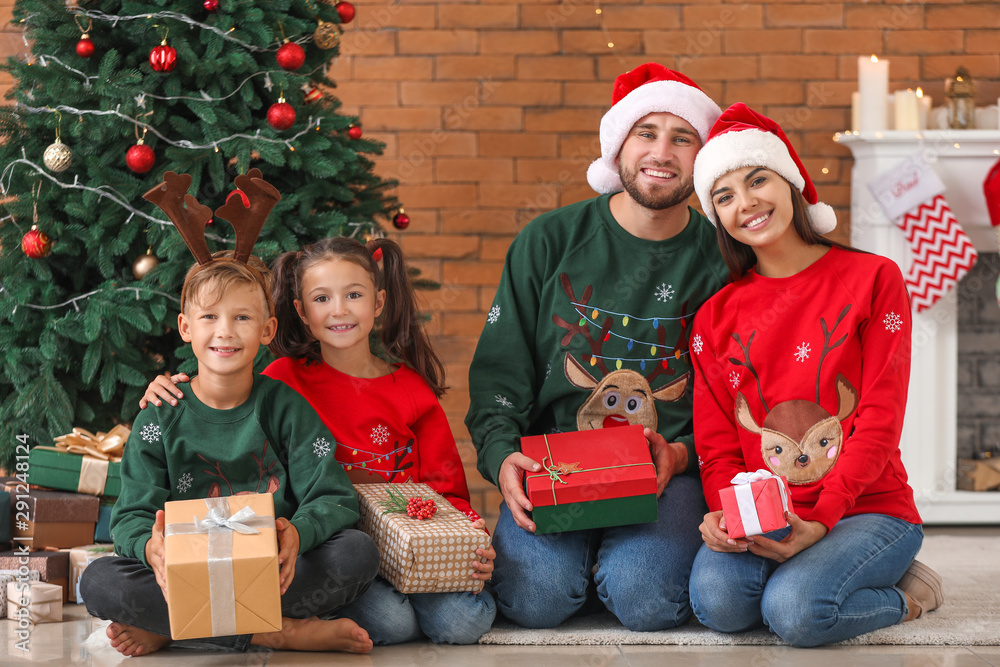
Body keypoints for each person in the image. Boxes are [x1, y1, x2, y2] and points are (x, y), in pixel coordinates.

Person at [464, 63, 728, 631]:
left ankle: (616, 572)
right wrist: (502, 455)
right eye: (646, 132)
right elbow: (500, 370)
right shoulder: (548, 241)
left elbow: (735, 392)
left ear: (702, 156)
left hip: (672, 472)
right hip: (555, 464)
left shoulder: (724, 260)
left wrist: (681, 454)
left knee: (647, 601)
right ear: (619, 146)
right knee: (532, 602)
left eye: (683, 137)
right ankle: (582, 571)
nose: (662, 151)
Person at [141, 236, 497, 645]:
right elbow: (224, 385)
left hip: (415, 547)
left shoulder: (411, 390)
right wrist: (168, 385)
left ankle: (202, 628)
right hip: (331, 546)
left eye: (354, 295)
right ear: (302, 312)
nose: (339, 310)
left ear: (378, 303)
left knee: (463, 623)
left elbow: (448, 487)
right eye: (322, 298)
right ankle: (249, 626)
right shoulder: (281, 380)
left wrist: (470, 538)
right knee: (393, 623)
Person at [687, 103, 944, 647]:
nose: (747, 203)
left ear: (791, 183)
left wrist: (822, 520)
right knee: (718, 605)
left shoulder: (874, 279)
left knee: (797, 613)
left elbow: (876, 418)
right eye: (724, 196)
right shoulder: (714, 318)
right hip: (765, 516)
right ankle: (814, 574)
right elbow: (716, 447)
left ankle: (909, 593)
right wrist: (721, 513)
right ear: (717, 219)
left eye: (757, 179)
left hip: (866, 508)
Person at [81, 250, 379, 656]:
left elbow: (333, 496)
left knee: (356, 553)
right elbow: (131, 516)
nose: (226, 332)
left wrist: (297, 533)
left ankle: (179, 628)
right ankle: (277, 634)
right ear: (185, 327)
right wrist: (153, 550)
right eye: (209, 317)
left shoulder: (286, 408)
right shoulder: (159, 416)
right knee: (98, 581)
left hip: (272, 570)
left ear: (267, 328)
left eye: (242, 317)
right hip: (187, 573)